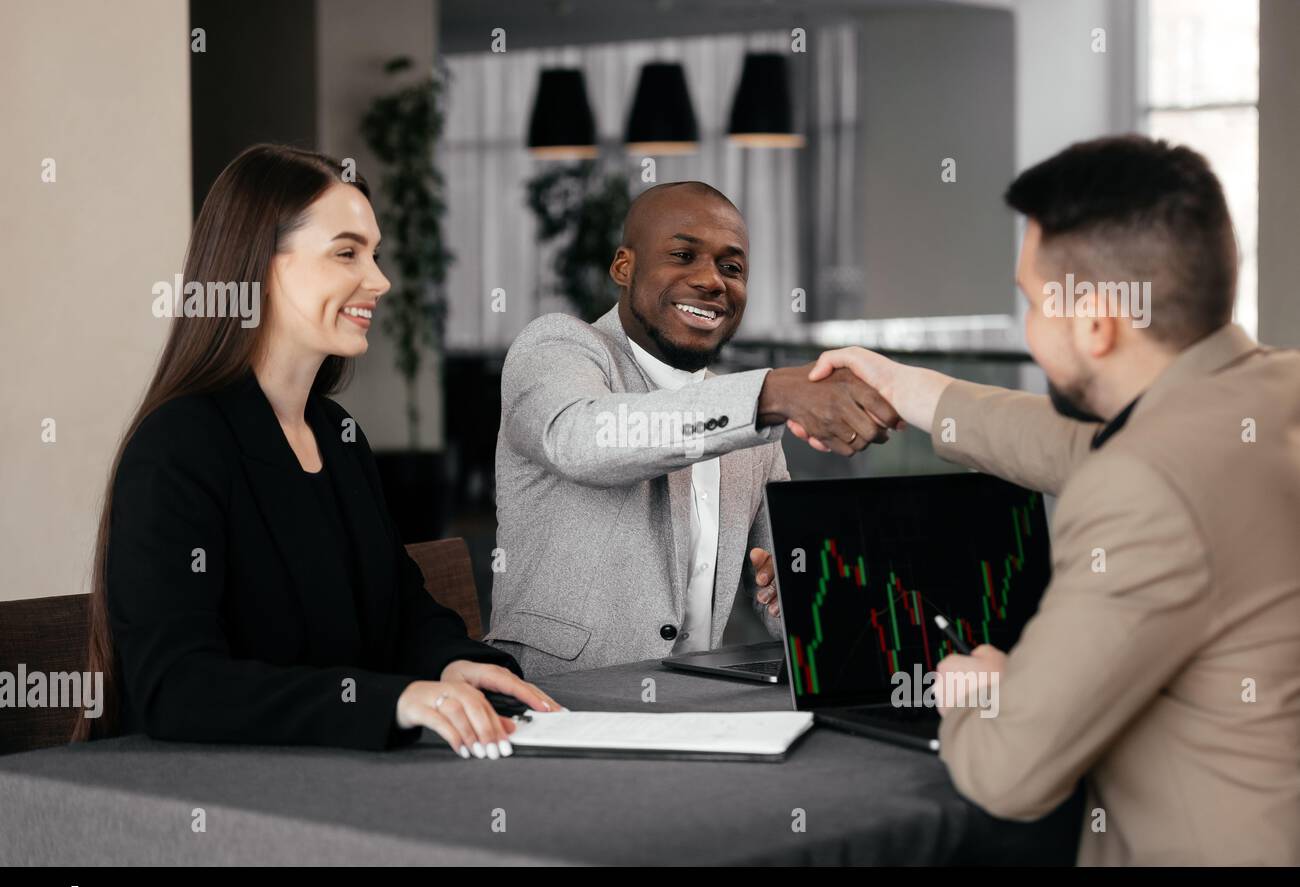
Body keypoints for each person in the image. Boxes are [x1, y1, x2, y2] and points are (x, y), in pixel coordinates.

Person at [801, 135, 1300, 865]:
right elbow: (1091, 446)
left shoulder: (1143, 486)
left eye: (1034, 302)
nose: (1029, 327)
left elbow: (1010, 773)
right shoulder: (1269, 395)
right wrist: (911, 391)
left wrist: (987, 686)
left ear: (1096, 322)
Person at [75, 144, 559, 758]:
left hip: (336, 777)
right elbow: (177, 687)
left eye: (374, 254)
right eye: (346, 253)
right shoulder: (178, 446)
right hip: (208, 803)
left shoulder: (337, 434)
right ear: (260, 267)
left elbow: (401, 612)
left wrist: (453, 663)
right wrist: (395, 702)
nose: (379, 280)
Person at [488, 181, 898, 675]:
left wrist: (795, 588)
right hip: (557, 701)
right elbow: (579, 440)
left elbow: (784, 598)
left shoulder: (748, 419)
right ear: (624, 266)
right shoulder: (556, 348)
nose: (712, 281)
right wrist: (769, 394)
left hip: (698, 700)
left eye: (732, 268)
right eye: (683, 255)